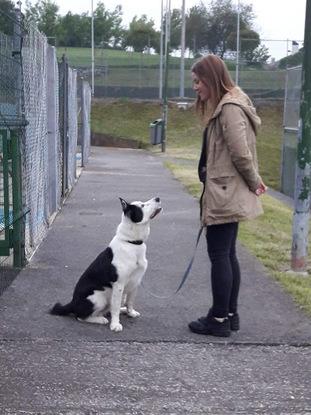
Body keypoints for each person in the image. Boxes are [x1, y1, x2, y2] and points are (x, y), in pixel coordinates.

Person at [188, 54, 267, 338]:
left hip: (225, 192)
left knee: (220, 254)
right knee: (228, 254)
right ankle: (228, 314)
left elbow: (240, 152)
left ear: (211, 78)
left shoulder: (230, 107)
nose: (195, 87)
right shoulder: (229, 102)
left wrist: (256, 183)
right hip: (226, 189)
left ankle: (219, 318)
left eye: (198, 81)